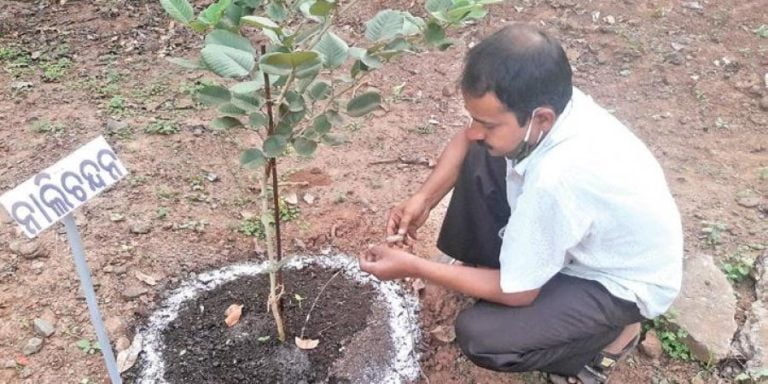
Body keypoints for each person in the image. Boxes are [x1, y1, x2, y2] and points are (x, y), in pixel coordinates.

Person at [358, 24, 683, 384]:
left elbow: (518, 293)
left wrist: (415, 267)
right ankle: (489, 268)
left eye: (487, 122)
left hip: (616, 282)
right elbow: (468, 139)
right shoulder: (547, 104)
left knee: (484, 336)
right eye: (474, 117)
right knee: (484, 151)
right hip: (581, 235)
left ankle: (610, 336)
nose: (473, 130)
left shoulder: (558, 178)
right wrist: (423, 199)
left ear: (541, 118)